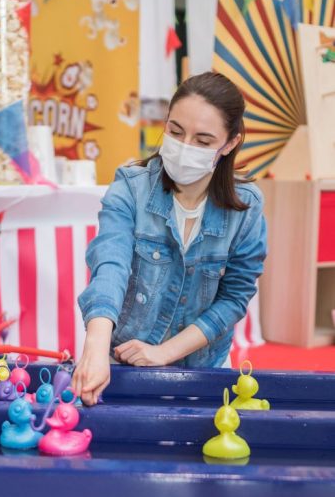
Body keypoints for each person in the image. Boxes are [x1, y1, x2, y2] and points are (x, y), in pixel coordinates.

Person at [74, 72, 267, 406]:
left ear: (230, 143)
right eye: (176, 132)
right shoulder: (130, 188)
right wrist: (95, 345)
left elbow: (234, 297)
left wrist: (165, 352)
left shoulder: (245, 207)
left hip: (204, 369)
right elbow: (110, 264)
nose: (184, 148)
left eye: (203, 141)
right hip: (126, 363)